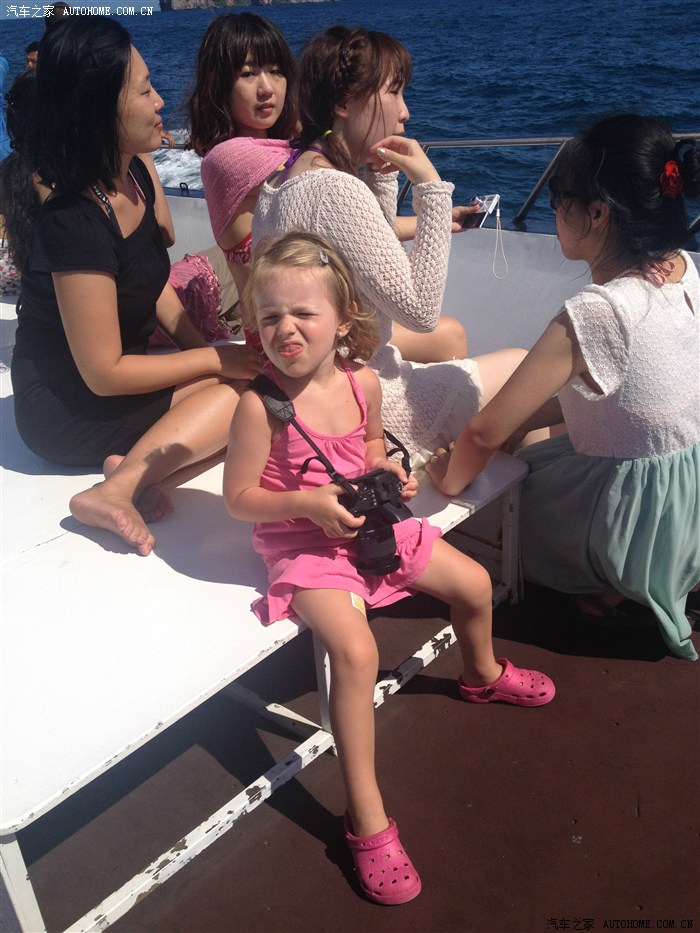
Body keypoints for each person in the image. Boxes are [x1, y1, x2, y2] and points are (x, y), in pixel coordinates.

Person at [223, 230, 555, 905]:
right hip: (304, 544)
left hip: (370, 525)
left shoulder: (362, 382)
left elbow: (372, 446)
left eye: (304, 313)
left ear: (344, 320)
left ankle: (481, 673)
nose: (286, 329)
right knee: (356, 651)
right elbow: (239, 498)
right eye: (271, 316)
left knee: (473, 584)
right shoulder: (258, 407)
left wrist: (388, 471)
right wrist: (307, 504)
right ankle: (366, 817)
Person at [426, 115, 700, 661]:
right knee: (533, 439)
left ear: (598, 213)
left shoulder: (596, 312)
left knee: (480, 517)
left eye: (558, 196)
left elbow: (481, 434)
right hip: (684, 496)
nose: (553, 210)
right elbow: (624, 394)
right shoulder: (682, 268)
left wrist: (445, 478)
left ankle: (607, 587)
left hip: (626, 518)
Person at [7, 17, 261, 556]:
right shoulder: (73, 220)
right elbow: (103, 373)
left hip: (120, 380)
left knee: (253, 386)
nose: (160, 101)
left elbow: (152, 283)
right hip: (66, 406)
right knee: (247, 396)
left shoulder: (135, 176)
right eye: (145, 91)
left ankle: (137, 474)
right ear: (100, 106)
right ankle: (116, 490)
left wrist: (207, 348)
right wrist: (216, 361)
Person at [252, 25, 525, 467]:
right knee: (522, 367)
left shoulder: (280, 182)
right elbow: (420, 312)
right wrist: (431, 189)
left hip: (316, 391)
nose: (405, 112)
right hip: (367, 402)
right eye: (394, 92)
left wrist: (379, 174)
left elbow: (369, 253)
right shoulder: (335, 190)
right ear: (344, 103)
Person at [193, 14, 467, 363]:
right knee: (449, 335)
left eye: (276, 71)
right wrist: (432, 194)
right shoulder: (233, 159)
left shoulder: (294, 161)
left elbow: (355, 225)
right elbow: (335, 200)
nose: (267, 88)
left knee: (446, 334)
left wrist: (381, 174)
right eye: (248, 74)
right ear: (219, 85)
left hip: (311, 332)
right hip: (285, 345)